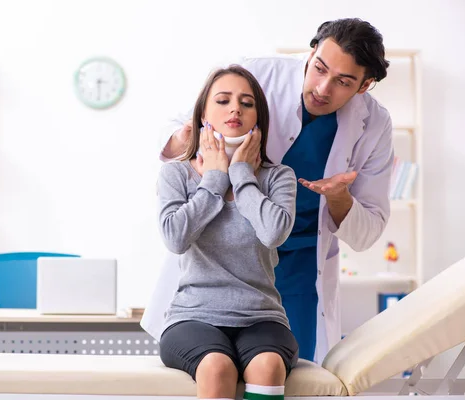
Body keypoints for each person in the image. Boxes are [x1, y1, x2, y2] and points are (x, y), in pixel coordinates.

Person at [142, 18, 394, 364]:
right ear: (310, 53)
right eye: (319, 68)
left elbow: (369, 231)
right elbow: (176, 133)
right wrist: (190, 142)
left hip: (302, 262)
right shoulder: (255, 76)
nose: (322, 88)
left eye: (343, 82)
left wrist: (339, 198)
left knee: (289, 371)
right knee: (215, 366)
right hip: (227, 254)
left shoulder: (376, 125)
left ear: (364, 86)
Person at [157, 64, 298, 400]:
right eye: (223, 100)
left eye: (247, 103)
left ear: (257, 119)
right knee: (217, 367)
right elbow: (175, 238)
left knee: (267, 366)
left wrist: (240, 174)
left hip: (262, 318)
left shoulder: (279, 177)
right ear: (203, 114)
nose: (236, 108)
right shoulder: (176, 175)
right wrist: (215, 181)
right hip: (193, 317)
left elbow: (273, 233)